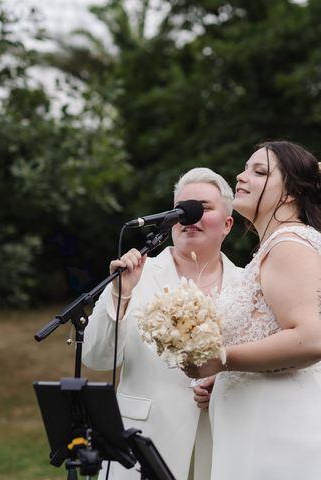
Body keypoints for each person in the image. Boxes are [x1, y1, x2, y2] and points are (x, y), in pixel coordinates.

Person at [185, 141, 321, 479]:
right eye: (245, 167)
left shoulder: (289, 245)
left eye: (260, 171)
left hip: (285, 436)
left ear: (290, 193)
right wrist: (230, 377)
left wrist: (222, 359)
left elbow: (314, 340)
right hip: (265, 426)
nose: (241, 176)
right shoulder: (281, 244)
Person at [82, 168, 242, 480]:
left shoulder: (248, 284)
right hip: (145, 438)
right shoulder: (135, 274)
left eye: (203, 208)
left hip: (223, 439)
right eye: (181, 209)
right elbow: (97, 358)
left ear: (227, 224)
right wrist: (121, 295)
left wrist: (224, 385)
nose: (189, 216)